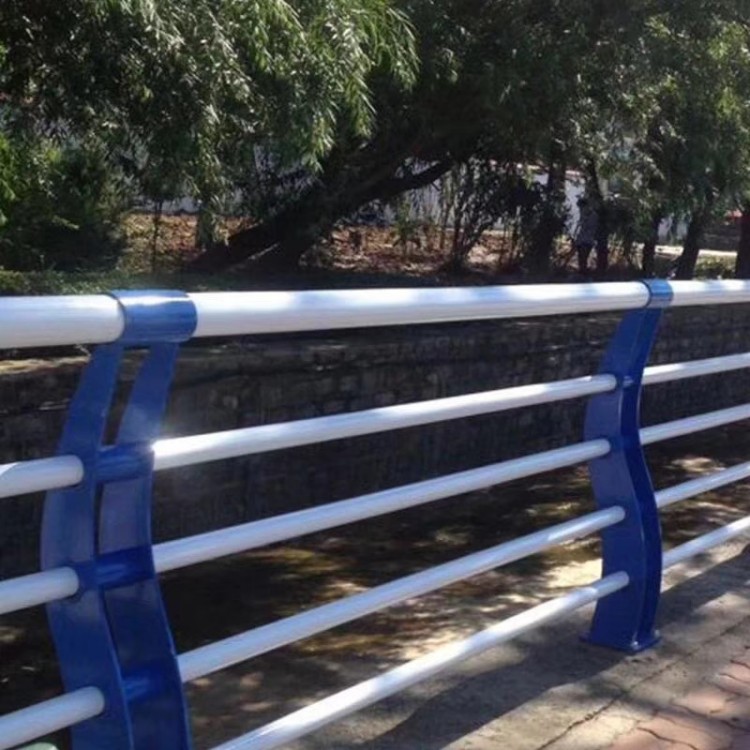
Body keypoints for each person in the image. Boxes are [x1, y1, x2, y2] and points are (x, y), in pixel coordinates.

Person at [574, 197, 599, 275]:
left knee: (583, 258)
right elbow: (580, 227)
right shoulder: (582, 214)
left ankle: (585, 275)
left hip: (588, 240)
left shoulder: (593, 215)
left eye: (582, 207)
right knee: (580, 259)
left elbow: (589, 227)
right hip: (580, 240)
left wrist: (584, 219)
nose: (581, 209)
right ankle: (581, 274)